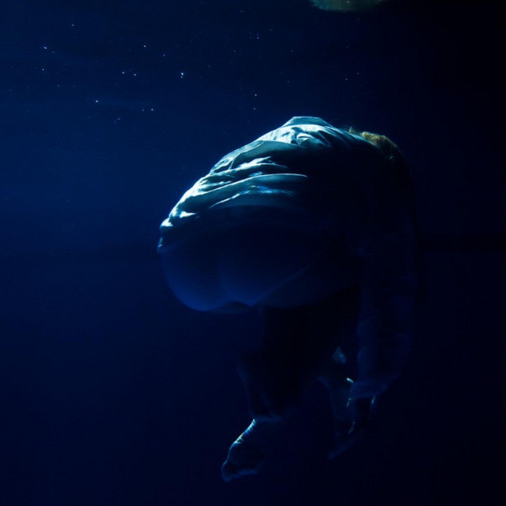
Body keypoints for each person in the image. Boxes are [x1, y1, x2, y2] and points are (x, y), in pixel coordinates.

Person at [158, 116, 419, 481]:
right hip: (265, 252)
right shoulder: (376, 169)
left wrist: (334, 376)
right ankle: (278, 402)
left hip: (181, 256)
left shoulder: (290, 138)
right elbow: (390, 286)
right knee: (356, 268)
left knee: (290, 278)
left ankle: (312, 380)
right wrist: (369, 389)